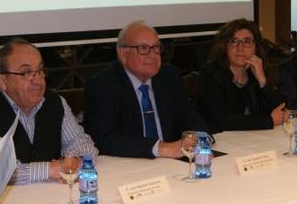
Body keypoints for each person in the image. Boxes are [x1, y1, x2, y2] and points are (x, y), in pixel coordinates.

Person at [0, 38, 98, 184]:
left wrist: (74, 161)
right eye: (26, 72)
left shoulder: (54, 101)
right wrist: (51, 169)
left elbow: (81, 143)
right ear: (2, 81)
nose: (37, 80)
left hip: (51, 194)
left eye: (40, 71)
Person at [83, 20, 209, 158]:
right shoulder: (103, 85)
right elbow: (103, 139)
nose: (153, 55)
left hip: (173, 163)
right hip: (130, 164)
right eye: (143, 48)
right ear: (123, 54)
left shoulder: (168, 76)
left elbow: (190, 117)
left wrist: (200, 139)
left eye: (156, 47)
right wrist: (160, 148)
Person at [195, 18, 287, 133]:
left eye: (247, 41)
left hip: (250, 139)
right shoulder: (210, 73)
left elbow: (281, 111)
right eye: (234, 41)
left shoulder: (256, 71)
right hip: (218, 142)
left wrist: (263, 81)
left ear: (255, 47)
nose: (240, 48)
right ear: (225, 47)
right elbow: (223, 121)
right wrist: (269, 121)